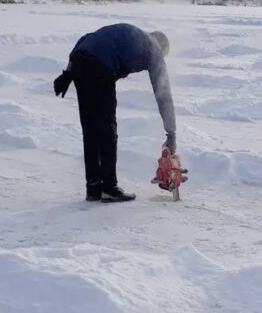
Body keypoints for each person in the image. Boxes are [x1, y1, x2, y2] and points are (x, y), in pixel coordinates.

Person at [53, 23, 176, 202]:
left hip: (80, 61)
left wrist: (68, 73)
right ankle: (109, 187)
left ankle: (93, 187)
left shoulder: (132, 35)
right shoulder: (154, 47)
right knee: (106, 129)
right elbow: (163, 93)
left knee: (90, 128)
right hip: (101, 67)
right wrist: (171, 133)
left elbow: (85, 39)